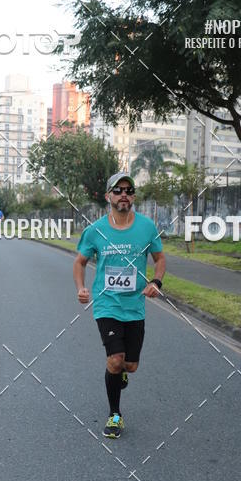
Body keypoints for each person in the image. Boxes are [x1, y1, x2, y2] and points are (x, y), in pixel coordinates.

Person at [73, 172, 166, 438]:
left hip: (135, 307)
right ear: (108, 196)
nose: (123, 194)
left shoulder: (147, 227)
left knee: (130, 365)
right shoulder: (95, 230)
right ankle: (115, 415)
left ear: (133, 196)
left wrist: (156, 282)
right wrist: (81, 288)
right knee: (115, 360)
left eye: (128, 190)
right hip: (107, 305)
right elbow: (79, 262)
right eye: (118, 190)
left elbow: (160, 259)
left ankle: (121, 373)